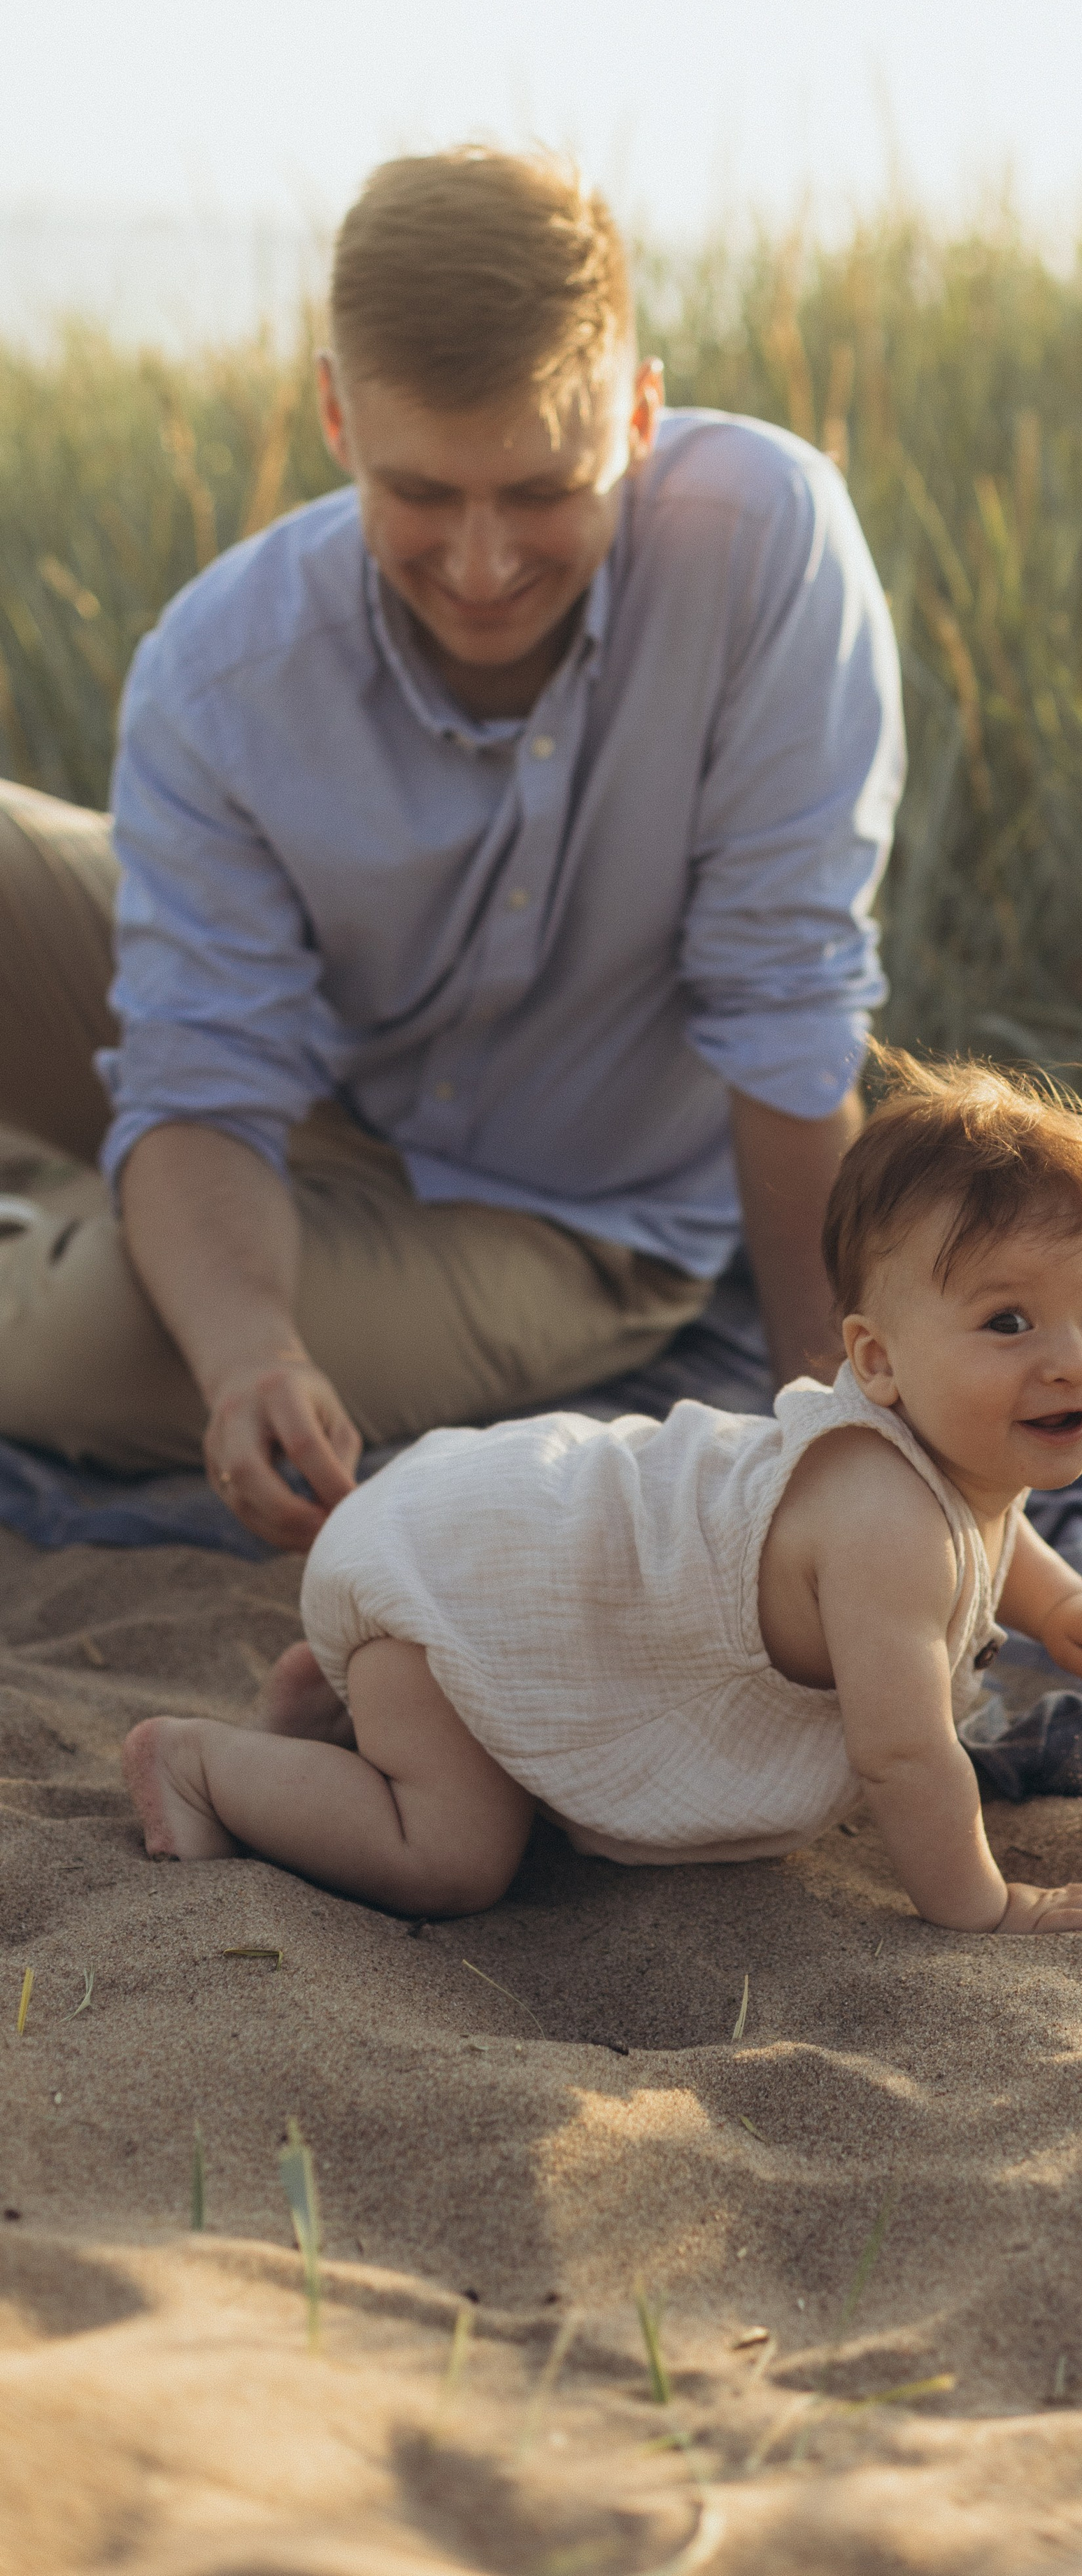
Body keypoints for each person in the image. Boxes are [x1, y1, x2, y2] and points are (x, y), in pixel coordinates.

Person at [0, 146, 902, 1550]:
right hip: (291, 1058)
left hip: (560, 1217)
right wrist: (253, 1349)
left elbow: (784, 1012)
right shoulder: (220, 663)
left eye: (542, 491)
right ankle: (121, 1201)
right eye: (422, 492)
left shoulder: (764, 544)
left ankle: (87, 1224)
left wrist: (836, 1442)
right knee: (203, 1264)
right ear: (336, 415)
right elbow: (204, 1069)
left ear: (640, 414)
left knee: (92, 1360)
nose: (483, 566)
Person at [122, 1056, 1082, 1936]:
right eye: (1008, 1322)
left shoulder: (955, 1457)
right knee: (451, 1859)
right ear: (876, 1363)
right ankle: (205, 1764)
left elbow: (993, 1535)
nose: (1074, 1362)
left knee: (455, 1780)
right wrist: (989, 1905)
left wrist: (1063, 1608)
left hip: (501, 1529)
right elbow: (904, 1754)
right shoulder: (882, 1524)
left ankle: (343, 1702)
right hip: (460, 1584)